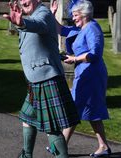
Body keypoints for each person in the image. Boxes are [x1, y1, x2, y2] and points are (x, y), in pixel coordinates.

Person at [3, 0, 80, 157]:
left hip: (46, 79)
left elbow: (38, 24)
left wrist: (22, 23)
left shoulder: (42, 14)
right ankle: (27, 154)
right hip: (36, 80)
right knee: (27, 117)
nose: (23, 1)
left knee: (51, 127)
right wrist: (23, 22)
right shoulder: (35, 14)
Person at [50, 0, 111, 157]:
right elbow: (61, 29)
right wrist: (52, 13)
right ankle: (103, 146)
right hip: (84, 74)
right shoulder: (81, 28)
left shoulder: (92, 28)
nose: (73, 17)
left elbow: (94, 54)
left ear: (84, 14)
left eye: (75, 15)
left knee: (75, 108)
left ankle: (60, 146)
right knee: (89, 110)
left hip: (92, 74)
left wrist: (75, 59)